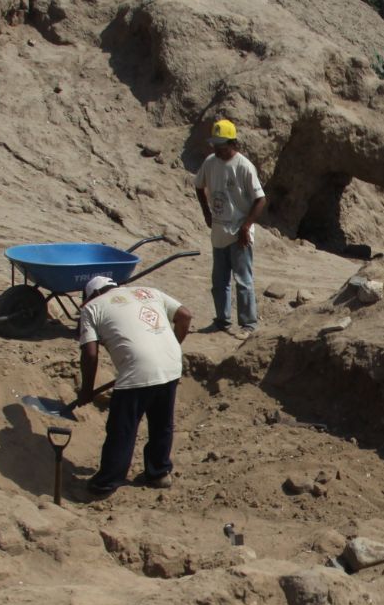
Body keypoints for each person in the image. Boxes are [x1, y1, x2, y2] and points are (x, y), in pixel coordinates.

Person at [77, 274, 192, 495]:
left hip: (137, 370)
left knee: (122, 428)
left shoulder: (91, 308)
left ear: (91, 295)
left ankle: (107, 482)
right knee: (161, 422)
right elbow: (185, 316)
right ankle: (158, 473)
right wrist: (171, 347)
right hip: (171, 364)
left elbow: (90, 355)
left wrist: (87, 391)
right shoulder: (149, 291)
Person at [193, 118, 266, 336]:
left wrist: (246, 226)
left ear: (233, 144)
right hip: (219, 231)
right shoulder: (210, 162)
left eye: (222, 147)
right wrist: (206, 212)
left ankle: (248, 324)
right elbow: (199, 186)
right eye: (215, 146)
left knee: (243, 280)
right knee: (219, 281)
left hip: (239, 232)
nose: (217, 150)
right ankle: (221, 320)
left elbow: (260, 199)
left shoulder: (244, 167)